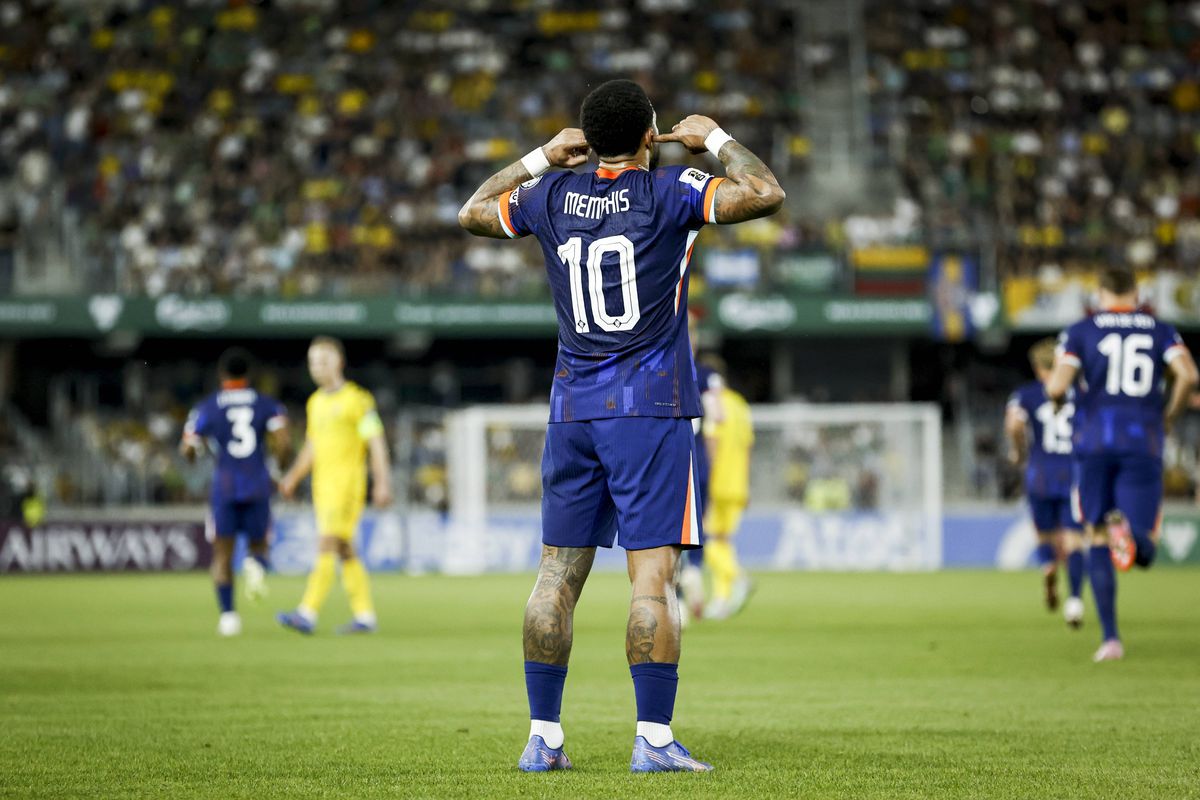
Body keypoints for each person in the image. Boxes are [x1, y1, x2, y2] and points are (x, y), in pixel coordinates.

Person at [459, 78, 785, 772]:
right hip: (650, 408)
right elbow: (764, 192)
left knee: (555, 575)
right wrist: (715, 138)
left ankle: (543, 739)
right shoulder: (671, 190)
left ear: (586, 139)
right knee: (652, 579)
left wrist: (539, 157)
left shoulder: (550, 195)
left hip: (572, 409)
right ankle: (654, 740)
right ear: (649, 137)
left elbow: (471, 211)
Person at [1046, 269, 1198, 661]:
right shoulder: (1160, 329)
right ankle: (1129, 534)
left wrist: (1061, 406)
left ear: (1099, 293)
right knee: (1144, 549)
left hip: (1093, 441)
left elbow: (1057, 386)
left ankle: (1111, 640)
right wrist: (1169, 415)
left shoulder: (1080, 330)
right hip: (1142, 440)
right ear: (1136, 292)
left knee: (1096, 535)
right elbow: (1188, 375)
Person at [276, 337, 393, 635]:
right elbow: (311, 447)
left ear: (338, 362)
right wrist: (292, 477)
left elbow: (375, 441)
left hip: (346, 487)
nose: (317, 368)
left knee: (327, 543)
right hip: (322, 487)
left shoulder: (357, 400)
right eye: (313, 362)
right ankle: (365, 616)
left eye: (323, 361)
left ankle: (307, 612)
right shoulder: (315, 403)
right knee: (345, 550)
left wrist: (381, 482)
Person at [180, 348, 290, 637]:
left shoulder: (207, 407)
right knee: (259, 546)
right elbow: (283, 442)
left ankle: (229, 616)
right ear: (249, 374)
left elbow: (188, 448)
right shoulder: (266, 403)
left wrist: (197, 454)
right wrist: (278, 470)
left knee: (222, 554)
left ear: (221, 374)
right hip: (257, 484)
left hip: (225, 486)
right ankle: (255, 565)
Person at [1004, 338, 1086, 628]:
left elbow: (1014, 425)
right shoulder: (1080, 393)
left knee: (1044, 537)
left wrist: (1018, 452)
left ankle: (1049, 566)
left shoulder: (1025, 394)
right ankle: (1074, 601)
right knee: (1075, 540)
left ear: (1038, 368)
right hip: (1073, 473)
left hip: (1039, 472)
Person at [699, 357, 755, 620]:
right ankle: (721, 600)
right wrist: (747, 483)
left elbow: (712, 441)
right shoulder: (740, 405)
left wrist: (705, 480)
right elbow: (748, 445)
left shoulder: (713, 402)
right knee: (722, 542)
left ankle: (737, 576)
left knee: (706, 539)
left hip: (716, 482)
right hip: (738, 483)